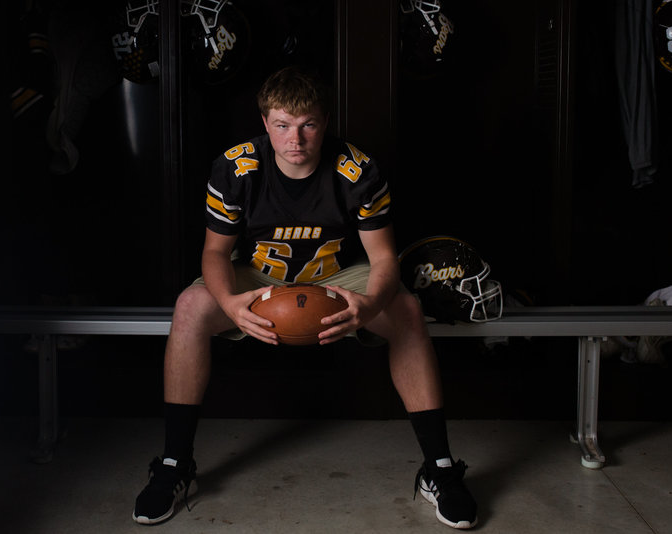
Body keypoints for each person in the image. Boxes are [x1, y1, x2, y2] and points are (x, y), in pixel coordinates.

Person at [132, 66, 478, 530]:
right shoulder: (237, 167)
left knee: (407, 310)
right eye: (282, 125)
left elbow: (383, 259)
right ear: (264, 123)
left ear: (325, 121)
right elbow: (215, 253)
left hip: (336, 275)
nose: (295, 138)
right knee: (190, 306)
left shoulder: (356, 169)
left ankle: (438, 468)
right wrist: (233, 304)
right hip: (258, 273)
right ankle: (174, 464)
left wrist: (371, 306)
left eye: (308, 124)